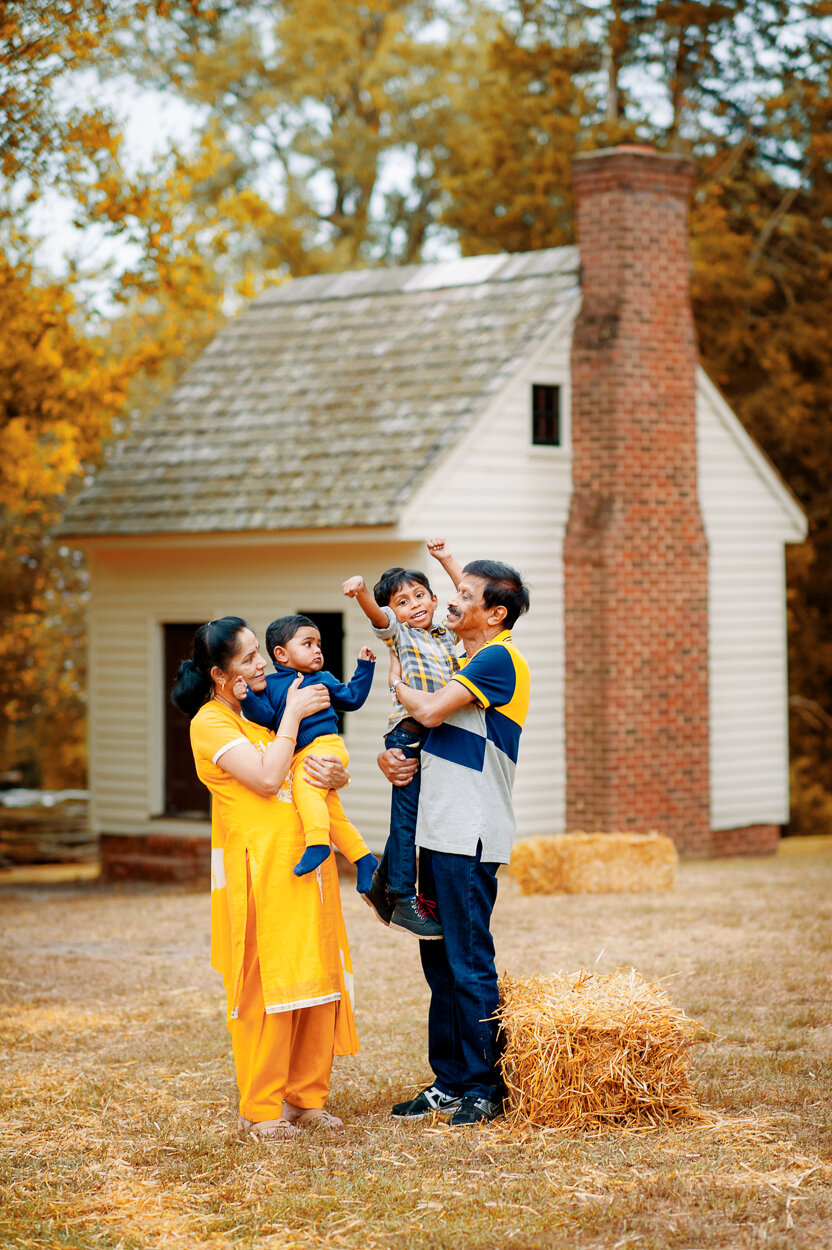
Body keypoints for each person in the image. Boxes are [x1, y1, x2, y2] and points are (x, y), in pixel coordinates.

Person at [171, 616, 362, 1140]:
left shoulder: (263, 712)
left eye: (261, 653)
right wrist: (295, 716)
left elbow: (308, 766)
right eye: (250, 658)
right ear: (219, 674)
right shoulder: (211, 723)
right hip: (260, 871)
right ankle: (262, 1108)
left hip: (310, 864)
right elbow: (267, 776)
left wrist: (336, 772)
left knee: (317, 977)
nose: (261, 665)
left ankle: (307, 1098)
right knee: (268, 986)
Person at [379, 558, 530, 1127]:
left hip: (470, 830)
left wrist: (395, 681)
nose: (450, 600)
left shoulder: (498, 658)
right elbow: (422, 737)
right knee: (440, 964)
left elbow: (429, 709)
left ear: (494, 613)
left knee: (467, 962)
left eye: (463, 594)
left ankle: (485, 1087)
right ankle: (450, 1081)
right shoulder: (462, 658)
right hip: (437, 830)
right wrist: (388, 755)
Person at [341, 544, 461, 939]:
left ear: (434, 598)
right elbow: (379, 617)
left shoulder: (447, 635)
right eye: (403, 602)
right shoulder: (401, 636)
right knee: (407, 819)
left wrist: (446, 560)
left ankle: (379, 886)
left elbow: (471, 599)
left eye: (420, 596)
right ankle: (403, 897)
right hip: (409, 730)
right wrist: (361, 593)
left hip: (434, 730)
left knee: (417, 816)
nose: (414, 605)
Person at [238, 614, 378, 885]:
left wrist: (364, 667)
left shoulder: (322, 678)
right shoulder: (269, 685)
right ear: (281, 653)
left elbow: (352, 698)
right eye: (308, 644)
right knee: (332, 815)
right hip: (300, 755)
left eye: (319, 644)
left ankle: (316, 844)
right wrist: (246, 698)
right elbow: (266, 716)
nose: (317, 650)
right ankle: (363, 858)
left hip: (325, 745)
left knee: (305, 789)